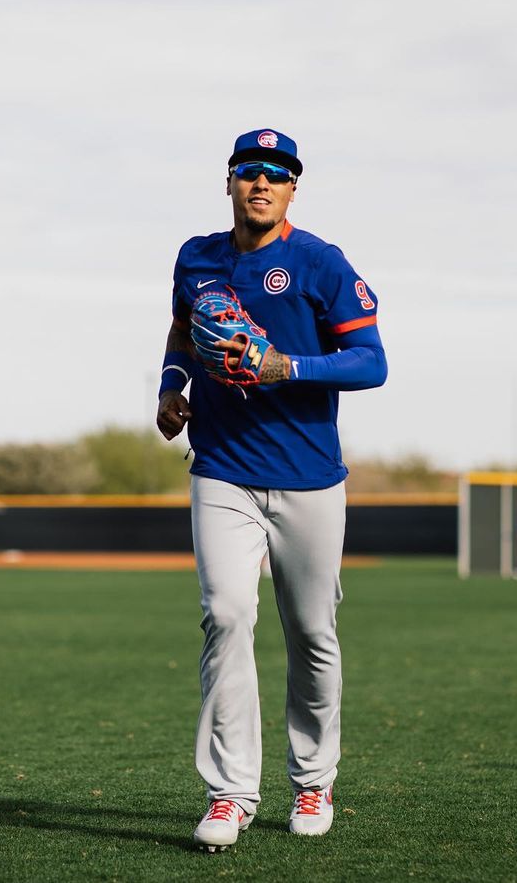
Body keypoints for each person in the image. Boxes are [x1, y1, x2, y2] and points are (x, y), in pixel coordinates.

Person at [155, 129, 387, 851]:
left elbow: (370, 362)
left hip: (309, 476)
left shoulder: (319, 262)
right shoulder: (197, 258)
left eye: (277, 174)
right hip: (221, 466)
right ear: (228, 182)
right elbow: (181, 333)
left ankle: (313, 778)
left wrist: (288, 365)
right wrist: (172, 386)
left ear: (293, 189)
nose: (262, 182)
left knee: (312, 632)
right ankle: (230, 793)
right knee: (225, 615)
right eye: (249, 171)